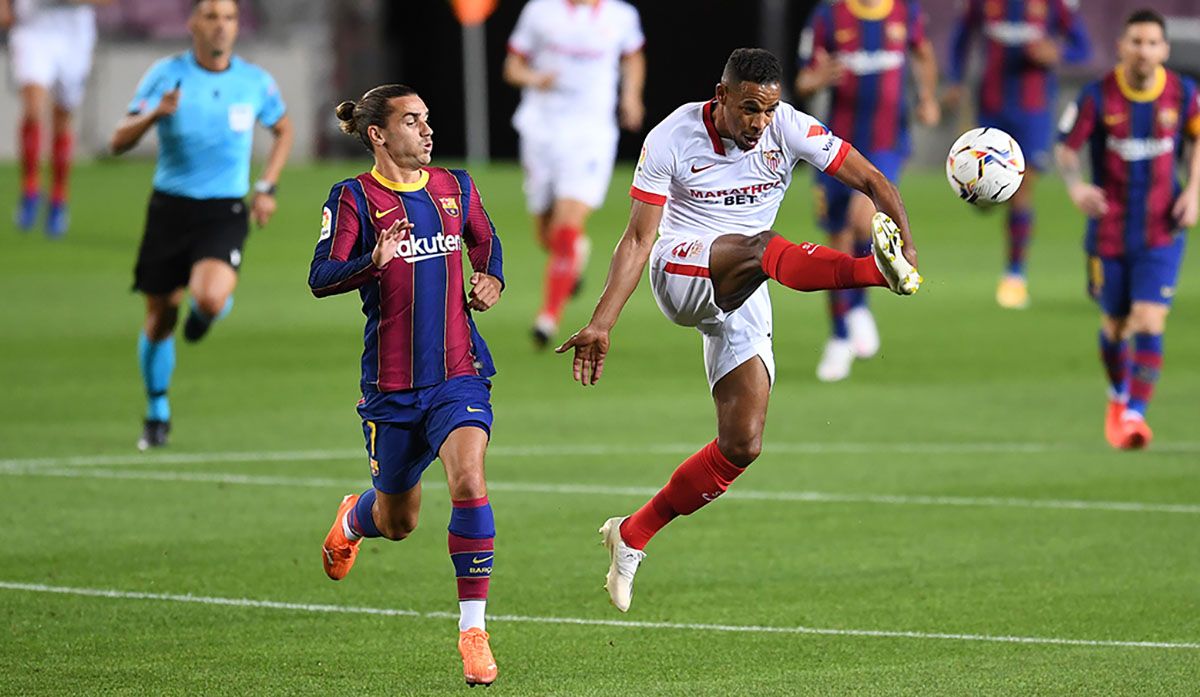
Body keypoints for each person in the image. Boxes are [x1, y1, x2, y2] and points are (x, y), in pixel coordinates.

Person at [556, 49, 922, 612]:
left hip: (746, 283)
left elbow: (872, 178)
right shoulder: (671, 136)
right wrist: (602, 321)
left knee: (743, 443)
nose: (760, 123)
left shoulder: (788, 127)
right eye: (750, 109)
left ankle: (631, 535)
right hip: (681, 268)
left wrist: (907, 239)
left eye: (768, 111)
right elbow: (636, 239)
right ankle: (872, 272)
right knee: (761, 246)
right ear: (721, 95)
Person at [310, 85, 505, 687]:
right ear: (378, 134)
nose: (426, 131)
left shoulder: (457, 187)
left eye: (427, 120)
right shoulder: (353, 198)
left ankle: (473, 630)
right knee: (398, 521)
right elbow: (321, 276)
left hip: (458, 373)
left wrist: (490, 278)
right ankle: (353, 519)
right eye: (411, 121)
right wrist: (373, 262)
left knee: (469, 478)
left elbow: (486, 241)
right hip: (392, 388)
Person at [109, 0, 294, 450]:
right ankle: (157, 412)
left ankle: (206, 312)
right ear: (193, 23)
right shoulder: (166, 75)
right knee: (159, 318)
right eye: (211, 16)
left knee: (210, 297)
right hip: (170, 209)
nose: (221, 26)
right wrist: (154, 115)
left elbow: (283, 128)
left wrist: (266, 187)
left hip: (223, 209)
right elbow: (117, 140)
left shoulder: (253, 81)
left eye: (228, 17)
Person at [1056, 9, 1198, 451]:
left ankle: (1135, 413)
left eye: (1152, 43)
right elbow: (1066, 148)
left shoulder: (1183, 93)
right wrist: (1076, 185)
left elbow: (1196, 140)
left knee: (1148, 318)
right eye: (1136, 41)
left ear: (1165, 50)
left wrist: (1194, 190)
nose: (1144, 50)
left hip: (1162, 229)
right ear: (1121, 46)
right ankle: (1118, 395)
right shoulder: (1096, 97)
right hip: (1109, 233)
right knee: (1115, 328)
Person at [796, 0, 939, 381]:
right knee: (837, 241)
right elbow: (803, 82)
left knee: (865, 218)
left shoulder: (905, 13)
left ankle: (858, 308)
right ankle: (840, 335)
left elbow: (924, 54)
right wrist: (818, 78)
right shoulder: (828, 16)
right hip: (833, 146)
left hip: (886, 143)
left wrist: (927, 97)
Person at [503, 0, 646, 348]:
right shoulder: (540, 11)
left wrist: (631, 96)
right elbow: (512, 68)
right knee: (546, 235)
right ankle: (573, 255)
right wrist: (536, 77)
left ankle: (548, 317)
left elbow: (633, 57)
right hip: (541, 130)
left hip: (590, 135)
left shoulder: (620, 15)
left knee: (568, 225)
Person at [947, 0, 1090, 309]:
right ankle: (990, 200)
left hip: (1033, 111)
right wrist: (956, 81)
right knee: (984, 200)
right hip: (991, 107)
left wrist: (1057, 53)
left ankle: (1014, 276)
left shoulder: (1055, 5)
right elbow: (961, 37)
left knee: (1022, 191)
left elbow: (1082, 47)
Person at [1, 0, 111, 237]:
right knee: (33, 107)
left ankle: (58, 197)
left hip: (74, 35)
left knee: (63, 116)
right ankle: (30, 188)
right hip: (33, 28)